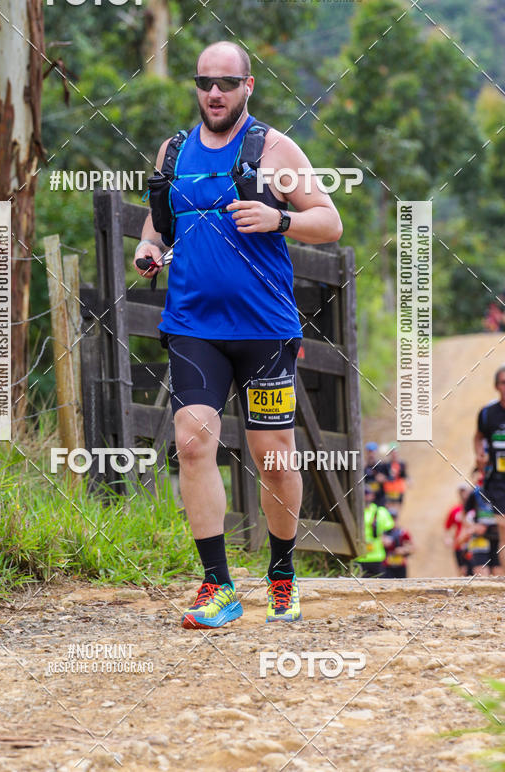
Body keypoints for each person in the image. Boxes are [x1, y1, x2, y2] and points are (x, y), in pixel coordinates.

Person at [133, 41, 343, 628]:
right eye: (204, 82)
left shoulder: (274, 150)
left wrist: (281, 218)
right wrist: (149, 249)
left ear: (248, 85)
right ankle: (217, 585)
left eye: (226, 83)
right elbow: (158, 224)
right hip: (193, 326)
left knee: (272, 458)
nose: (214, 93)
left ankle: (281, 574)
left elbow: (329, 221)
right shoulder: (173, 151)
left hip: (264, 330)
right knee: (193, 441)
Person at [474, 364, 505, 560]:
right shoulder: (487, 413)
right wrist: (479, 455)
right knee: (504, 529)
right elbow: (478, 437)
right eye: (503, 383)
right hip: (498, 481)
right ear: (496, 386)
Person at [354, 485, 395, 577]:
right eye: (363, 494)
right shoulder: (354, 512)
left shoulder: (381, 511)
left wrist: (386, 538)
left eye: (367, 494)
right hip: (359, 557)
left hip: (377, 556)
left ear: (372, 495)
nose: (365, 497)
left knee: (379, 583)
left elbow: (390, 530)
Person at [463, 485, 502, 577]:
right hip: (480, 538)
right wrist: (473, 526)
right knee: (481, 572)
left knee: (498, 572)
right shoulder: (476, 493)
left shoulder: (501, 492)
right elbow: (463, 514)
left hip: (498, 538)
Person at [444, 485, 473, 576]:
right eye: (461, 493)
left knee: (474, 569)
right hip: (459, 546)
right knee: (462, 571)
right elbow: (447, 527)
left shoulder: (474, 509)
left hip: (473, 544)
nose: (463, 495)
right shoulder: (455, 510)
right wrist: (447, 538)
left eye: (465, 492)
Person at [382, 501, 413, 578]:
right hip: (386, 566)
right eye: (390, 518)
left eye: (394, 518)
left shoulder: (402, 532)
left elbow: (411, 547)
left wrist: (403, 550)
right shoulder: (382, 533)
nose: (392, 521)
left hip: (400, 565)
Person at [363, 442, 388, 507]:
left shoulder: (382, 466)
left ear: (376, 452)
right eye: (369, 452)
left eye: (373, 452)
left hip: (380, 500)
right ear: (366, 453)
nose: (371, 454)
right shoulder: (363, 467)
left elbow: (390, 479)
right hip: (367, 501)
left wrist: (383, 479)